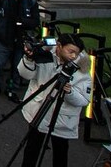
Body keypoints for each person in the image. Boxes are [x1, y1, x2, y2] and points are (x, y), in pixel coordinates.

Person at [18, 33, 90, 167]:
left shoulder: (81, 69)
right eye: (70, 51)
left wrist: (69, 92)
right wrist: (28, 58)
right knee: (31, 151)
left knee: (60, 155)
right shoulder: (44, 55)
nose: (74, 56)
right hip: (38, 113)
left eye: (77, 53)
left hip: (61, 121)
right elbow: (25, 74)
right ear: (59, 46)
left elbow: (84, 100)